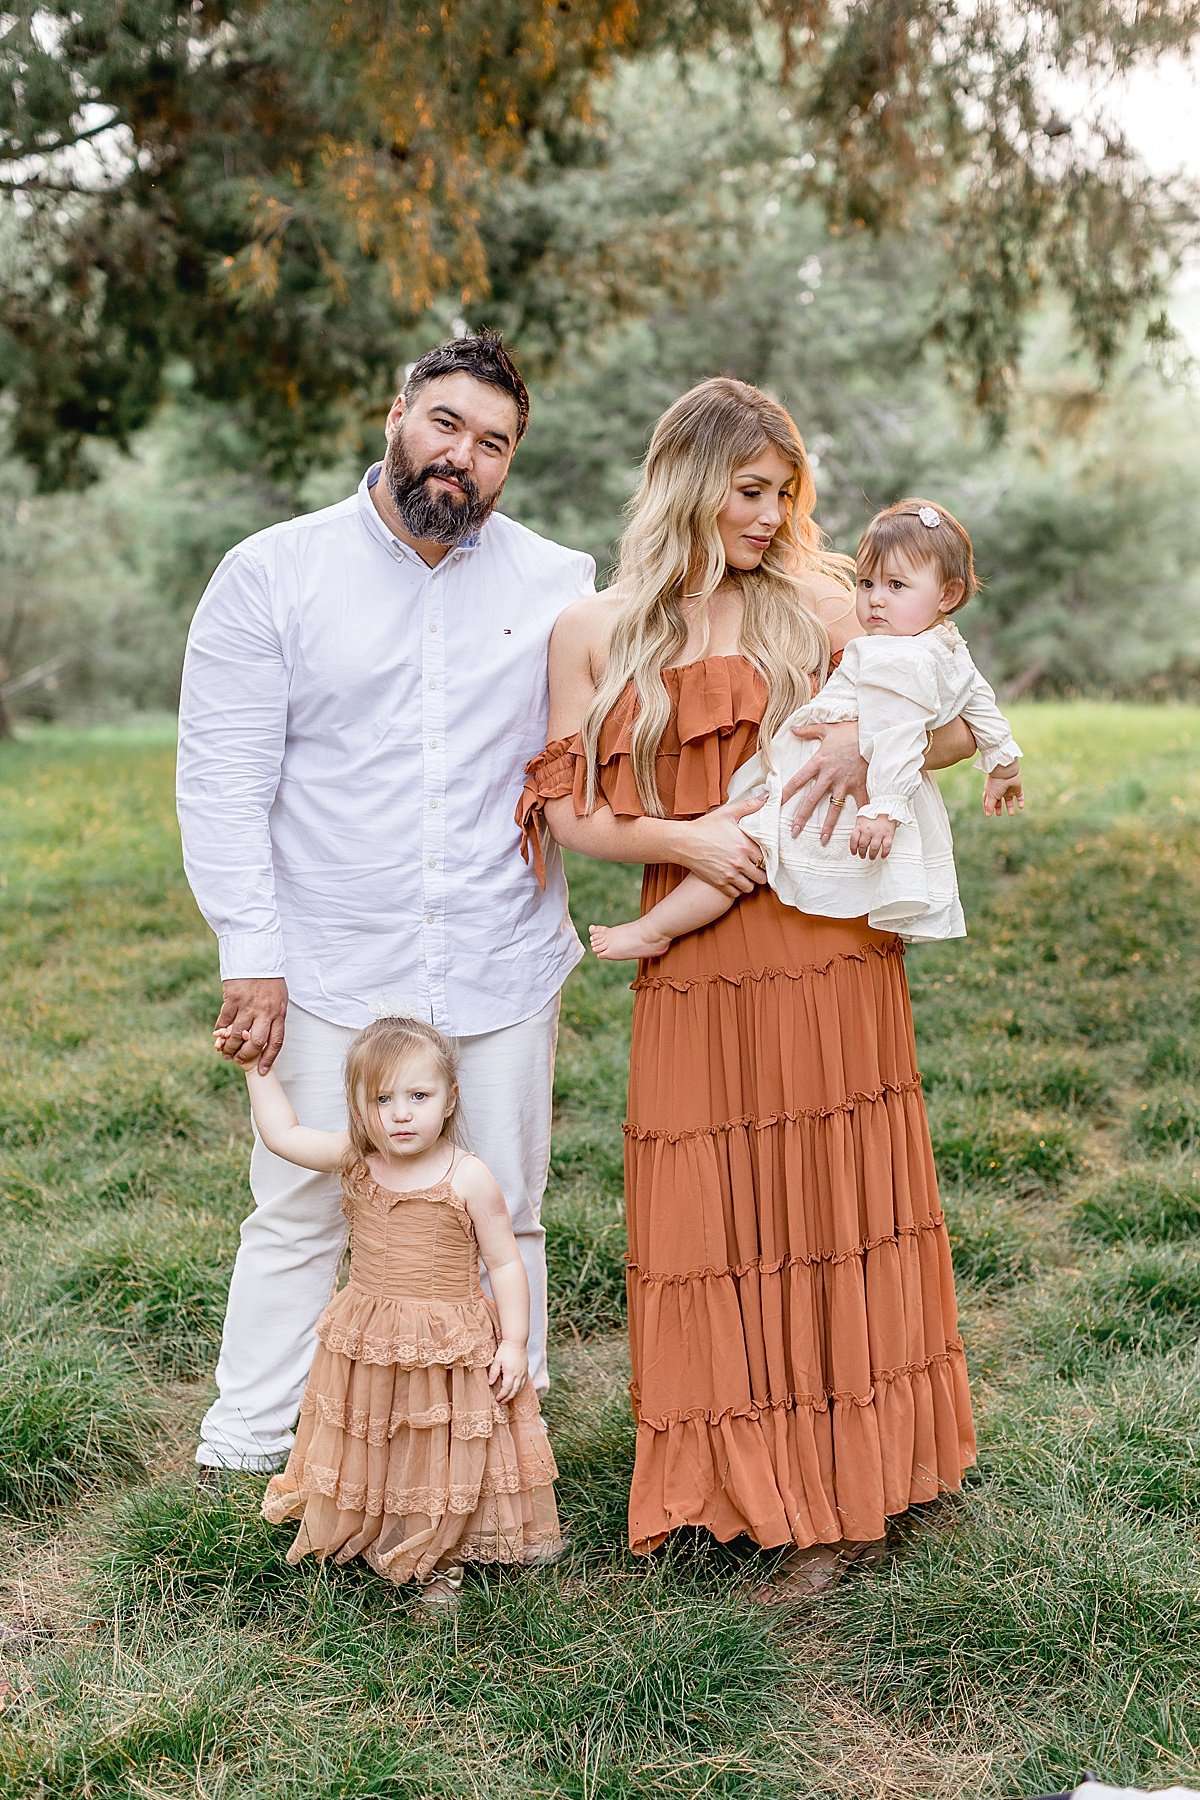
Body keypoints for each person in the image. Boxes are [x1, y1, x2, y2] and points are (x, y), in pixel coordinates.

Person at [517, 377, 978, 1594]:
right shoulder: (596, 629)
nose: (773, 517)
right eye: (753, 490)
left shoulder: (829, 607)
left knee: (828, 1213)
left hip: (828, 952)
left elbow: (956, 727)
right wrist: (684, 845)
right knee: (711, 1226)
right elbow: (569, 814)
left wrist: (849, 744)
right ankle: (727, 1484)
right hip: (693, 957)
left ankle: (841, 1498)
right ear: (688, 477)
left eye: (787, 495)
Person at [177, 331, 596, 1477]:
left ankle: (501, 1447)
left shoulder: (559, 583)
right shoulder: (272, 572)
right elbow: (220, 783)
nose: (463, 457)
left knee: (501, 1208)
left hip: (498, 953)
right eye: (446, 423)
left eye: (494, 443)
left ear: (513, 462)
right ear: (396, 414)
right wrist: (250, 956)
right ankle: (249, 1442)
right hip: (328, 957)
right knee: (304, 1206)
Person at [216, 1013, 560, 1608]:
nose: (400, 1113)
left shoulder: (469, 1176)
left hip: (447, 1339)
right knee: (378, 1433)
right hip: (370, 1333)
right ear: (357, 1105)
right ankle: (374, 1524)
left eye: (418, 1096)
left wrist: (513, 1343)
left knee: (440, 1442)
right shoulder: (359, 1157)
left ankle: (437, 1558)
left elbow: (504, 1263)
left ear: (450, 1099)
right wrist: (255, 1070)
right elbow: (285, 1135)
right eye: (381, 1099)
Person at [588, 497, 1023, 961]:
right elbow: (981, 703)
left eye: (897, 585)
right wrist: (1005, 764)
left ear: (948, 596)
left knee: (746, 845)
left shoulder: (892, 656)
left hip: (816, 777)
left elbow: (896, 736)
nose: (876, 598)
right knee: (752, 843)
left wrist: (886, 808)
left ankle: (656, 929)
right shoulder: (947, 647)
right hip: (828, 773)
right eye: (866, 582)